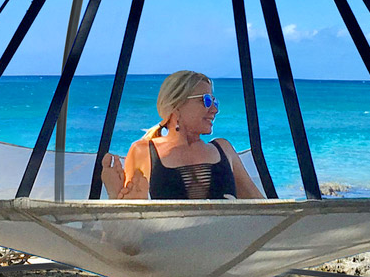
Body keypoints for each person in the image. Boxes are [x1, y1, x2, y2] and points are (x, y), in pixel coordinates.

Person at [99, 69, 265, 202]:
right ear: (176, 106)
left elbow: (262, 210)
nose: (214, 109)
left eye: (215, 102)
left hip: (227, 243)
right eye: (206, 100)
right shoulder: (144, 151)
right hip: (168, 243)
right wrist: (114, 195)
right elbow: (126, 229)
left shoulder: (223, 149)